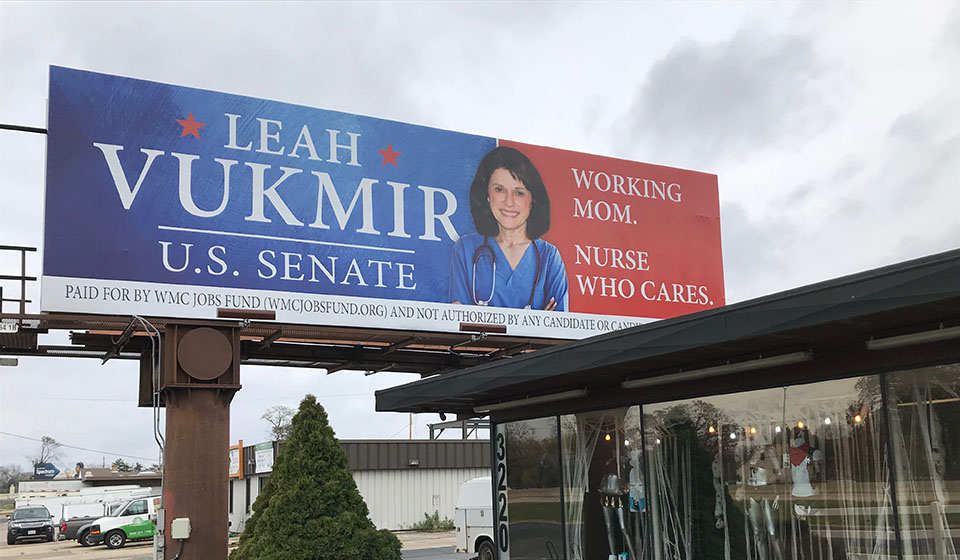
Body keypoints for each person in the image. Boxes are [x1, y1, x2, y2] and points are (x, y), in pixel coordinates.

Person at [449, 146, 568, 310]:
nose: (509, 202)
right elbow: (459, 316)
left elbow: (559, 328)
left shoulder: (549, 257)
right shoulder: (465, 249)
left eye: (519, 192)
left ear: (532, 199)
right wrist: (534, 325)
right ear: (487, 195)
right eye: (499, 190)